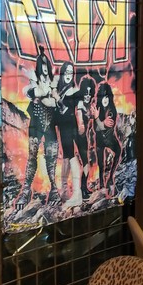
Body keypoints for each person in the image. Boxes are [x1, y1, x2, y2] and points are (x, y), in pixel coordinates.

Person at [15, 46, 60, 210]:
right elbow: (37, 92)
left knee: (51, 157)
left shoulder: (53, 82)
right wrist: (36, 84)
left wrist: (48, 93)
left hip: (51, 124)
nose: (45, 68)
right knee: (32, 155)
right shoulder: (33, 83)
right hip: (36, 124)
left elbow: (54, 100)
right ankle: (26, 190)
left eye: (46, 64)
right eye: (42, 64)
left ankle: (54, 189)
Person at [55, 62, 84, 209]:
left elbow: (78, 108)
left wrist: (81, 123)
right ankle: (65, 190)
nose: (68, 74)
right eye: (66, 71)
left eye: (71, 72)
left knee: (71, 157)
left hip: (70, 126)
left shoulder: (74, 90)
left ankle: (77, 194)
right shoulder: (60, 89)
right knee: (67, 157)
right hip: (63, 127)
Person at [92, 81, 121, 196]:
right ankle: (101, 183)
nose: (105, 99)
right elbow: (95, 128)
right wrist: (99, 122)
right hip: (99, 140)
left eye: (106, 96)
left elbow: (106, 126)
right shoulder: (97, 108)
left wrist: (98, 120)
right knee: (100, 163)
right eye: (102, 96)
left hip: (109, 138)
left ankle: (110, 178)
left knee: (118, 150)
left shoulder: (112, 109)